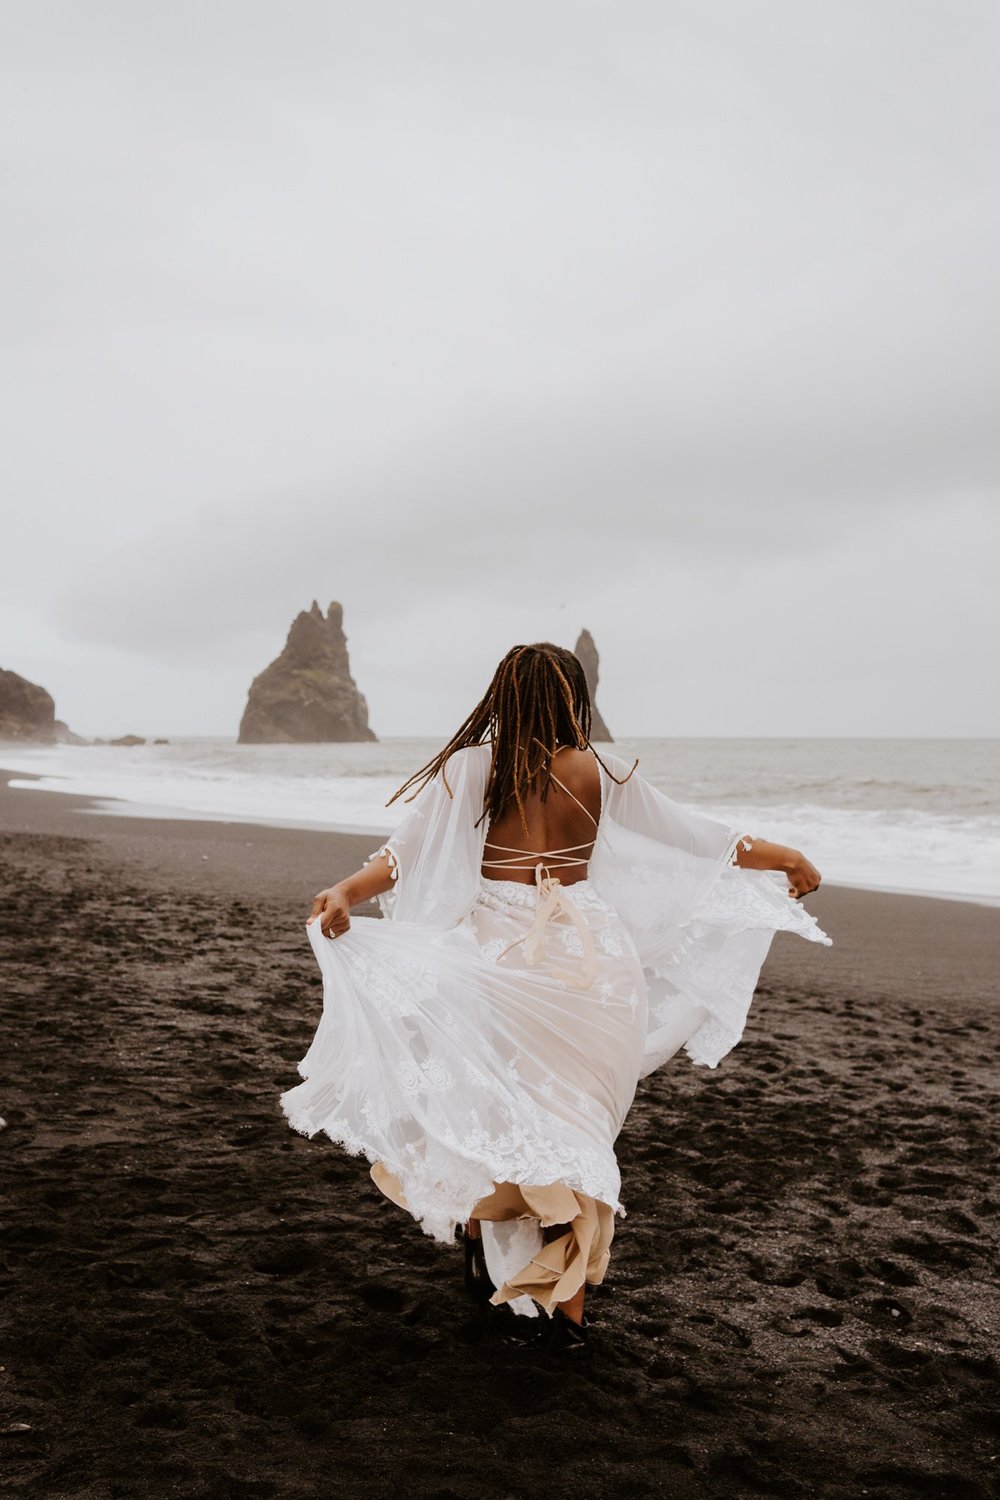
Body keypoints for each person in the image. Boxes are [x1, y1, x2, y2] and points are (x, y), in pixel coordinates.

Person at [280, 643, 830, 1359]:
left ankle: (488, 1241)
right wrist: (788, 856)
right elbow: (702, 840)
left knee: (500, 1107)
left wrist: (346, 893)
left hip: (497, 957)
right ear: (573, 697)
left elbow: (402, 856)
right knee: (578, 1132)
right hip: (594, 964)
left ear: (499, 698)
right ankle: (563, 1315)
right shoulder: (603, 770)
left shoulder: (471, 769)